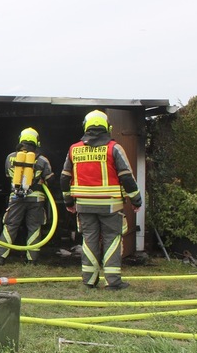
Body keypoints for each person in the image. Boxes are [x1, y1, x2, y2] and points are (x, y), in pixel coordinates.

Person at [60, 110, 142, 290]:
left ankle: (89, 280)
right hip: (110, 206)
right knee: (112, 239)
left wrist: (68, 203)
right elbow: (127, 178)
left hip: (84, 205)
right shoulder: (114, 148)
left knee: (89, 240)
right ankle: (113, 282)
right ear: (107, 127)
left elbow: (64, 178)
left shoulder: (74, 149)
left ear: (85, 126)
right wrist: (136, 201)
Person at [0, 127, 54, 266]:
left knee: (10, 226)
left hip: (16, 197)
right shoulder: (42, 160)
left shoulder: (10, 157)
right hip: (36, 198)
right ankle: (32, 259)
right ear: (36, 142)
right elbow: (50, 180)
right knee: (34, 227)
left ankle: (0, 257)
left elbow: (9, 176)